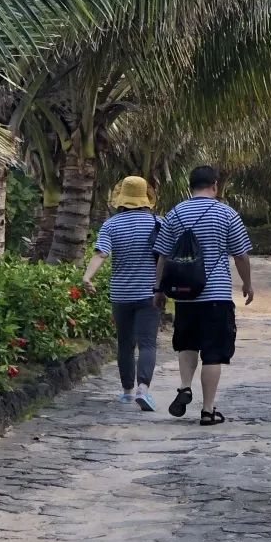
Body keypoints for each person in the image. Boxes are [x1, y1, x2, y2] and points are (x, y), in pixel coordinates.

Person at [154, 164, 253, 426]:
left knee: (187, 344)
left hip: (185, 294)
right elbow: (241, 254)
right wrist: (247, 283)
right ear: (215, 185)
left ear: (190, 186)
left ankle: (185, 386)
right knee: (213, 353)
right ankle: (208, 410)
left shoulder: (175, 213)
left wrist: (158, 289)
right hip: (216, 294)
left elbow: (162, 255)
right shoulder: (227, 214)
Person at [83, 176, 164, 411]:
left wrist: (87, 277)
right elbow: (166, 257)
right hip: (149, 292)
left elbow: (100, 254)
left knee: (125, 344)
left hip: (121, 294)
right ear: (145, 198)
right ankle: (143, 390)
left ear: (121, 198)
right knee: (147, 343)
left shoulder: (111, 225)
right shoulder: (158, 223)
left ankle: (127, 392)